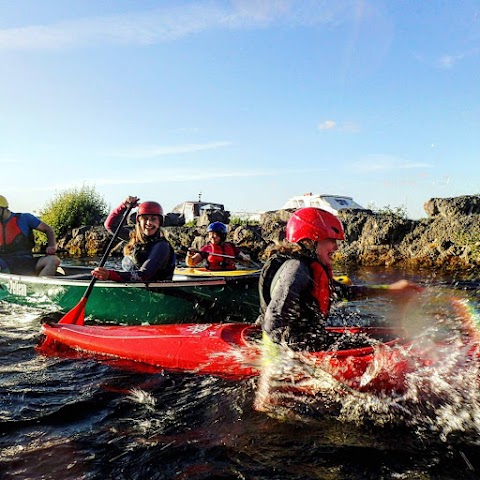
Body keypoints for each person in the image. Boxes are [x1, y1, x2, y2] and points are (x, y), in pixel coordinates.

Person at [257, 207, 423, 352]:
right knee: (383, 346)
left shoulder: (311, 267)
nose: (336, 247)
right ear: (311, 241)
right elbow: (273, 318)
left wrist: (391, 289)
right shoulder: (296, 268)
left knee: (385, 336)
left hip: (310, 342)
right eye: (331, 240)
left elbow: (343, 293)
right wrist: (276, 370)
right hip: (292, 350)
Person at [91, 196, 175, 282]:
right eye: (145, 219)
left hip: (153, 290)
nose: (149, 223)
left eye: (153, 219)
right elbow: (110, 225)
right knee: (81, 277)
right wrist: (123, 206)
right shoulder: (134, 238)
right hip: (130, 286)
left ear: (159, 222)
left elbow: (144, 275)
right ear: (139, 221)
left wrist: (110, 275)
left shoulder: (162, 246)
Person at [0, 195, 60, 276]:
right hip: (5, 263)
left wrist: (52, 245)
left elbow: (48, 229)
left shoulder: (25, 218)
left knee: (54, 260)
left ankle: (39, 287)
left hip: (27, 261)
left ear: (3, 209)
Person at [185, 221, 251, 271]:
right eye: (210, 234)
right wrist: (189, 255)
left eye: (215, 234)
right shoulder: (206, 248)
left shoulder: (231, 246)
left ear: (222, 235)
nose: (212, 237)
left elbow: (246, 261)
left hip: (231, 273)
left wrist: (246, 258)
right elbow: (191, 263)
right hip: (213, 275)